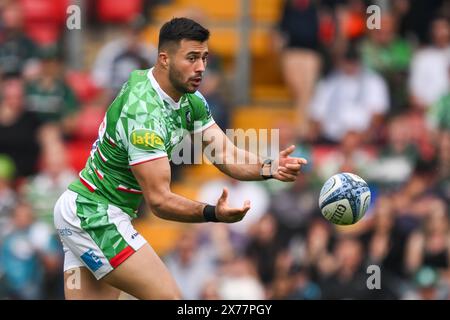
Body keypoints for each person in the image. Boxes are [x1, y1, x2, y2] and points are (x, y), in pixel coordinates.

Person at [53, 17, 307, 300]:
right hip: (94, 214)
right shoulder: (144, 113)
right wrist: (212, 213)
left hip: (90, 211)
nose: (201, 68)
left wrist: (270, 166)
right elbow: (160, 201)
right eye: (191, 58)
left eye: (204, 58)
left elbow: (224, 153)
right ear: (164, 59)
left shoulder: (190, 100)